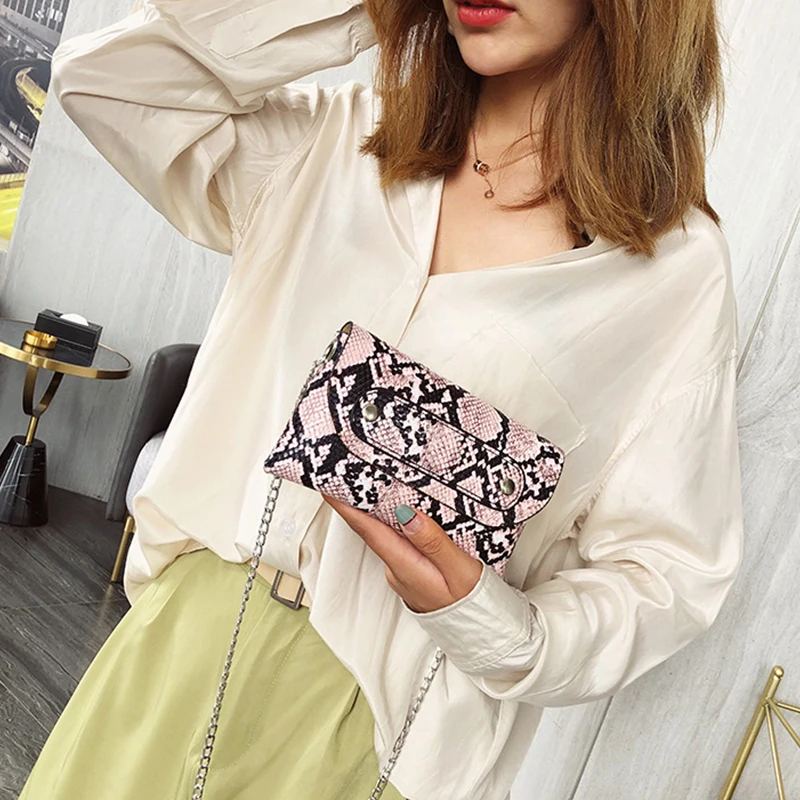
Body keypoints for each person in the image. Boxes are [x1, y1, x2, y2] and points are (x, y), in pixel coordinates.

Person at [20, 0, 744, 798]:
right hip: (185, 645)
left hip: (382, 731)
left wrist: (505, 631)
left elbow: (668, 570)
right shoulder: (333, 143)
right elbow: (104, 82)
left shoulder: (673, 272)